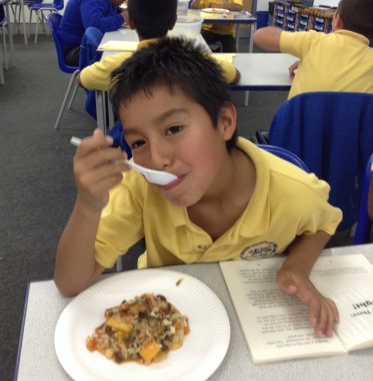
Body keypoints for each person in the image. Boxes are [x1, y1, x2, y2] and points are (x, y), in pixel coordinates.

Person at [55, 38, 342, 338]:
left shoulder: (292, 191)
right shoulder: (140, 189)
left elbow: (326, 223)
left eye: (174, 129)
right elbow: (69, 283)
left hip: (253, 327)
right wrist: (87, 206)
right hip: (168, 321)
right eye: (138, 142)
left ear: (225, 122)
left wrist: (297, 265)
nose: (157, 159)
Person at [76, 0, 240, 92]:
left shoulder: (118, 65)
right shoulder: (196, 60)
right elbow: (234, 76)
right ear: (173, 22)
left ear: (131, 22)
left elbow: (82, 80)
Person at [253, 0, 373, 99]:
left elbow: (260, 36)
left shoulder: (313, 41)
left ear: (336, 20)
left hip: (300, 118)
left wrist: (310, 56)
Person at [58, 0, 135, 65]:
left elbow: (109, 12)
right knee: (121, 60)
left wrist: (124, 13)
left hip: (84, 44)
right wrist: (123, 16)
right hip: (75, 50)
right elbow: (95, 25)